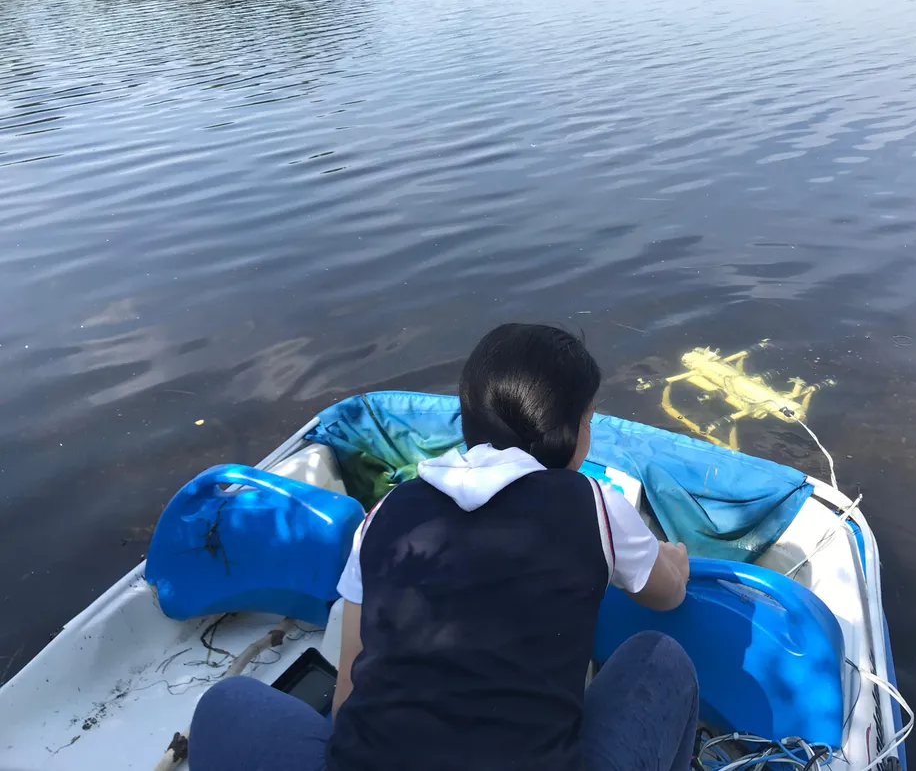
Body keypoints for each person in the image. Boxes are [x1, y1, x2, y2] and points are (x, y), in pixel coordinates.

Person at [189, 323, 698, 771]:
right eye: (588, 423)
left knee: (226, 703)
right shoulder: (593, 502)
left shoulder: (386, 515)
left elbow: (347, 701)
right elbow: (667, 593)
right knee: (663, 656)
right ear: (567, 433)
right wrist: (671, 558)